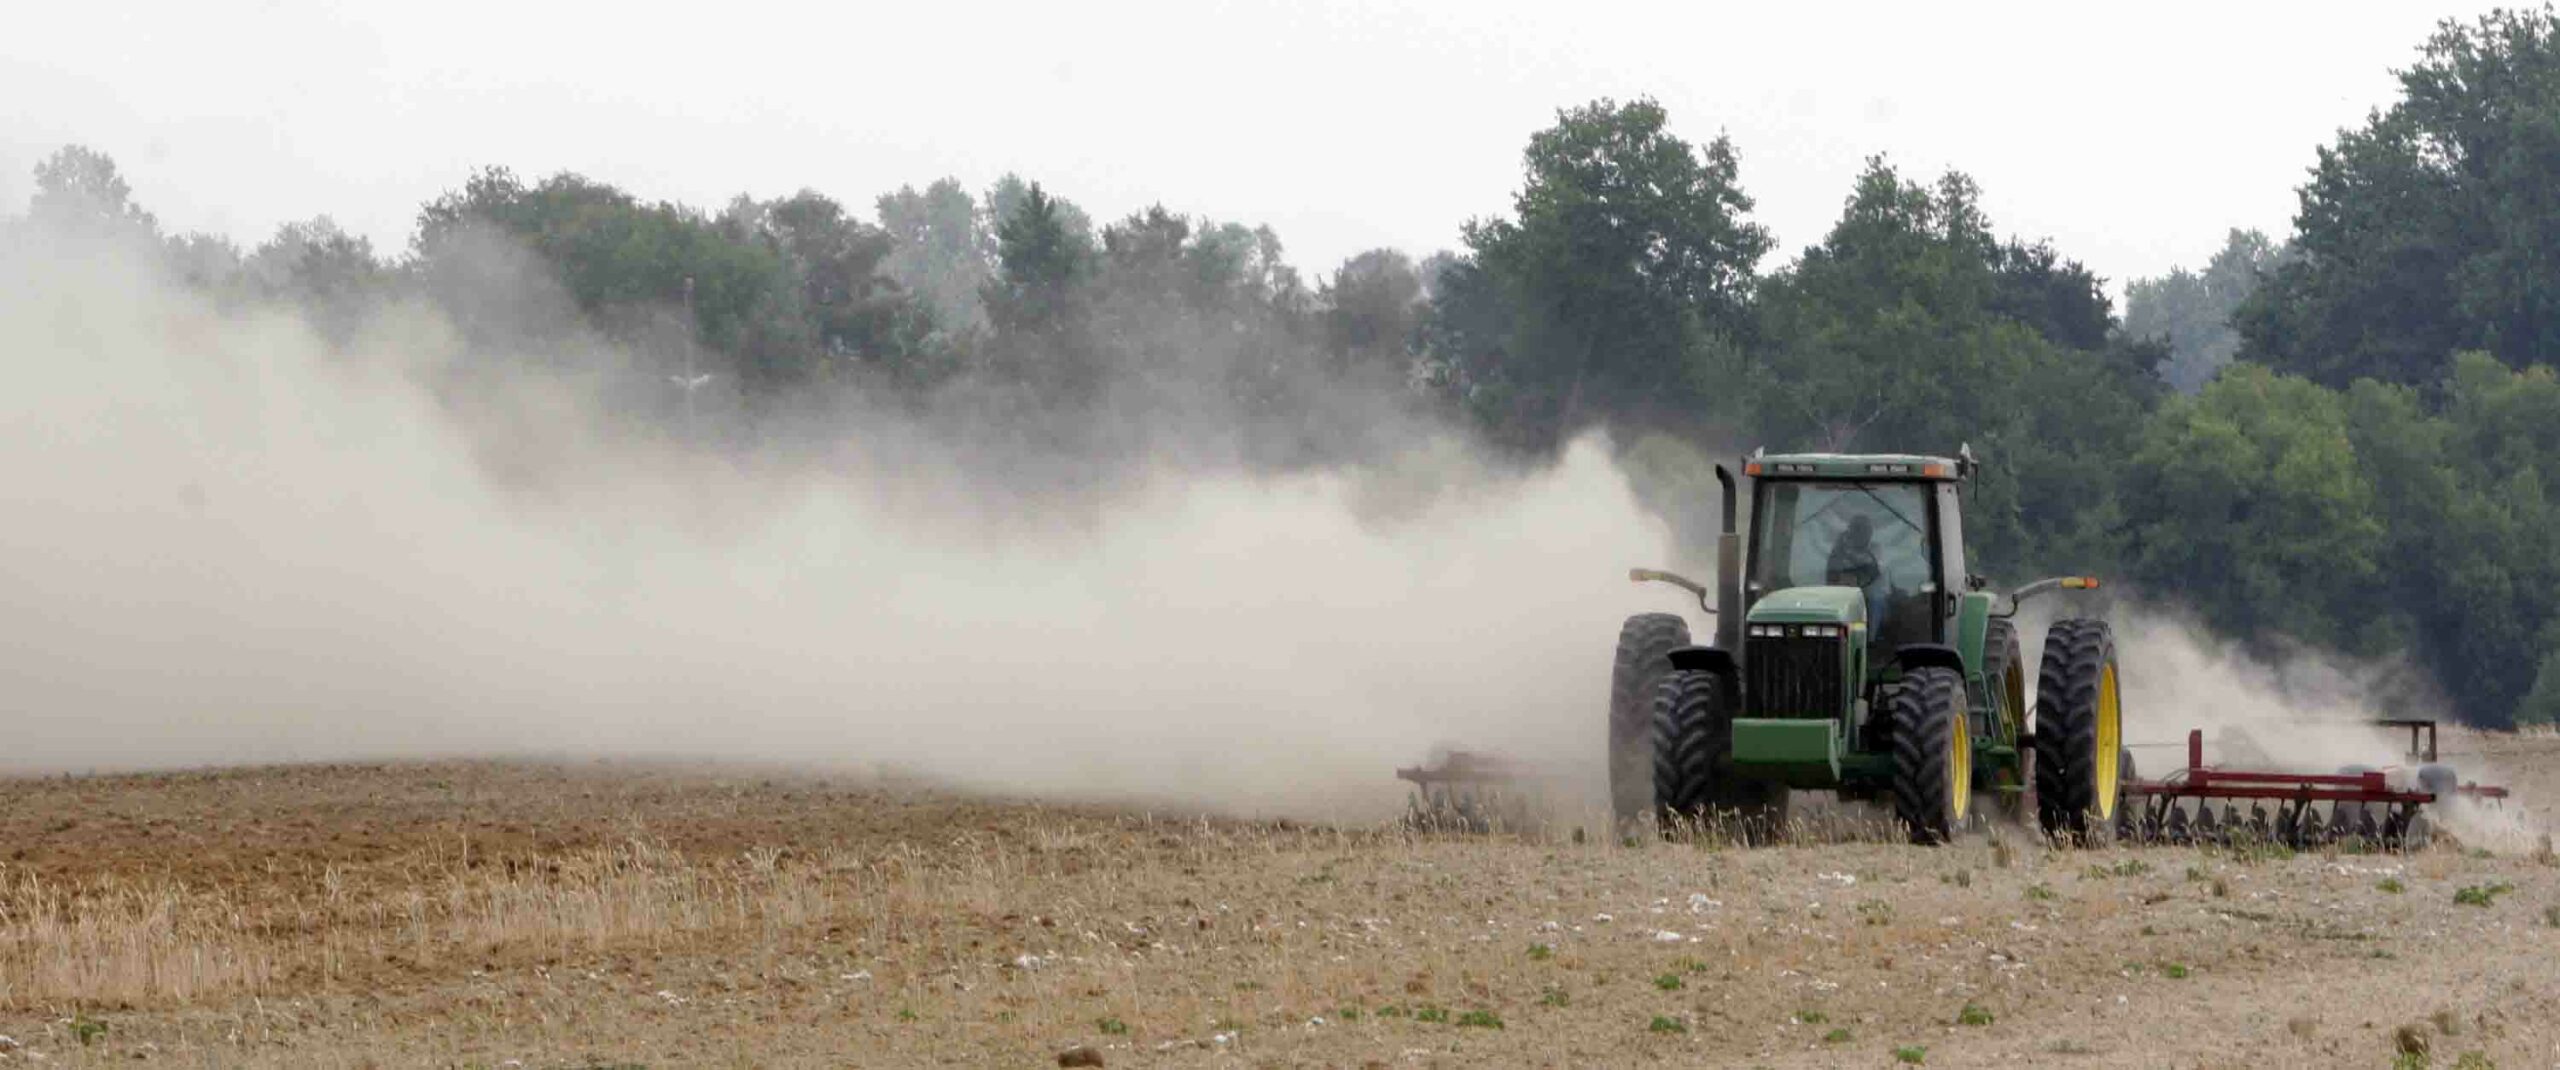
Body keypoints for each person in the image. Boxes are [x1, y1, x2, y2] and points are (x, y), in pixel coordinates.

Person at [1826, 514, 1888, 627]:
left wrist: (1848, 554)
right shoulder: (1839, 550)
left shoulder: (1876, 548)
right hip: (1844, 593)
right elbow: (1832, 571)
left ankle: (1871, 639)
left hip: (1871, 593)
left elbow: (1876, 568)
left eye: (1864, 530)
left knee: (1876, 602)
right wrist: (1840, 547)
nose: (1861, 534)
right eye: (1857, 530)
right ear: (1851, 532)